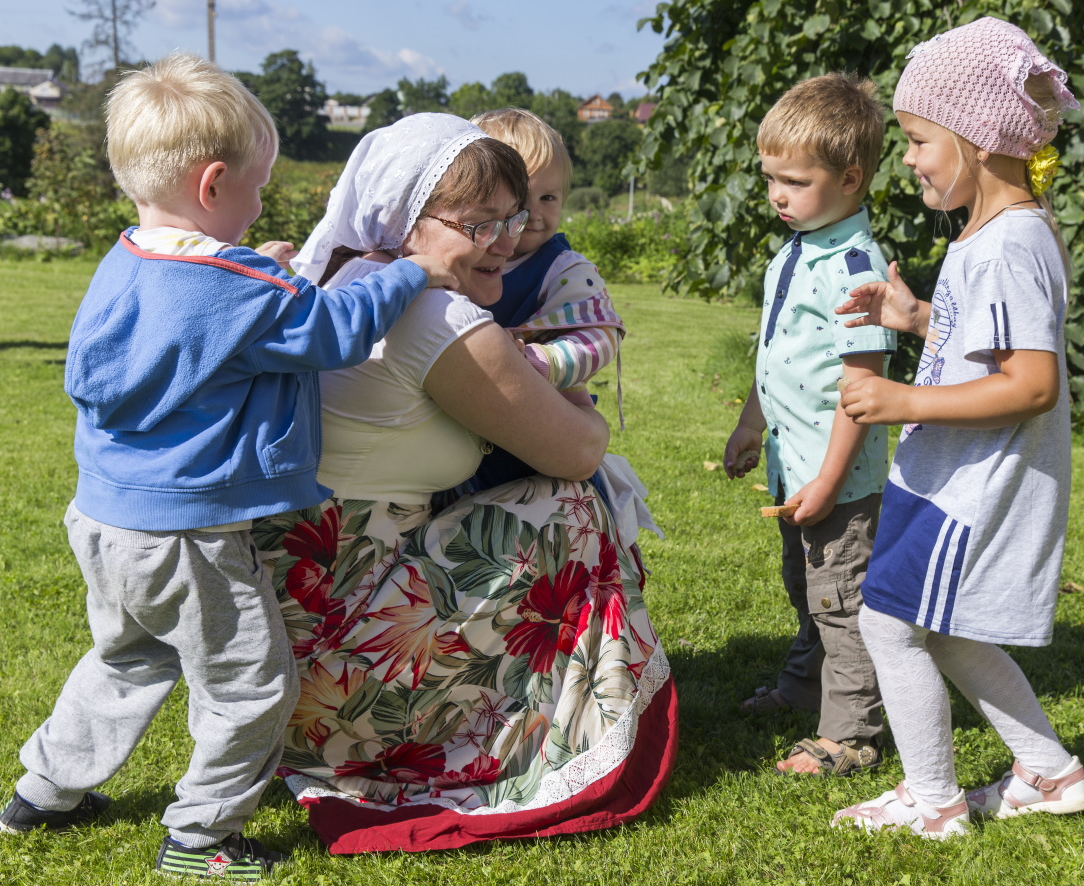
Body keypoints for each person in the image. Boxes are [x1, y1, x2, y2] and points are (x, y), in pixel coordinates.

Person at [0, 53, 449, 881]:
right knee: (250, 686)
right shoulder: (237, 287)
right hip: (187, 535)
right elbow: (333, 330)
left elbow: (209, 305)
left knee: (128, 658)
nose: (261, 205)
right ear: (213, 187)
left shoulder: (132, 256)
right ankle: (201, 836)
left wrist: (258, 261)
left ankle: (41, 792)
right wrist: (413, 272)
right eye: (257, 188)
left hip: (104, 518)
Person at [254, 113, 677, 854]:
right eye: (482, 222)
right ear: (408, 219)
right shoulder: (433, 314)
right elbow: (577, 450)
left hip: (294, 645)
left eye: (513, 216)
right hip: (348, 676)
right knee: (573, 505)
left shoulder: (343, 284)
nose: (511, 240)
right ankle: (530, 730)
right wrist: (577, 405)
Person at [831, 17, 1084, 838]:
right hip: (950, 476)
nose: (907, 158)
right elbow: (989, 350)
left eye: (916, 139)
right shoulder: (991, 236)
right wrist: (917, 320)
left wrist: (905, 401)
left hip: (971, 487)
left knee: (888, 622)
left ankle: (934, 802)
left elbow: (1032, 383)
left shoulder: (1008, 241)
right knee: (938, 630)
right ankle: (1051, 775)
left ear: (977, 137)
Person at [723, 73, 895, 777]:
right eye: (769, 178)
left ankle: (852, 733)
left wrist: (828, 479)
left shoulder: (856, 269)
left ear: (850, 177)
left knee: (842, 601)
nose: (776, 195)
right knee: (806, 587)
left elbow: (863, 387)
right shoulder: (796, 250)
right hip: (795, 466)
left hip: (838, 476)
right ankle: (803, 687)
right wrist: (748, 424)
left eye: (792, 181)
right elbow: (778, 354)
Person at [466, 108, 625, 489]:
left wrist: (544, 361)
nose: (533, 212)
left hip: (542, 456)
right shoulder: (461, 257)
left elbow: (602, 336)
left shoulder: (562, 268)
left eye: (549, 196)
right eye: (518, 197)